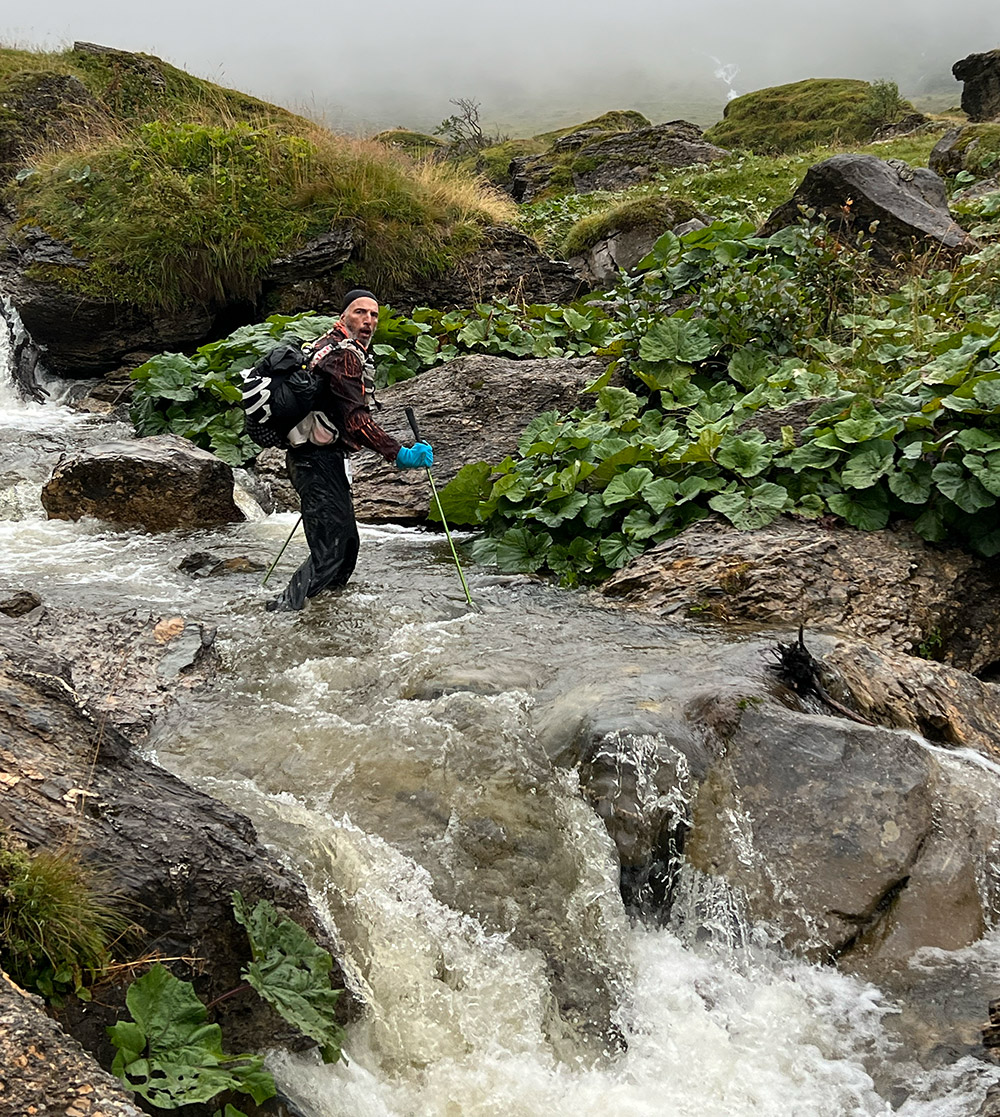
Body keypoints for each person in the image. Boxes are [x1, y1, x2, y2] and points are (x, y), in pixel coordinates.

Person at [266, 289, 433, 611]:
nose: (368, 320)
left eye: (374, 315)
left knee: (346, 545)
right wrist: (400, 454)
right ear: (343, 317)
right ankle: (281, 614)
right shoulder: (342, 355)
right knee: (332, 549)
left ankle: (326, 611)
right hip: (316, 462)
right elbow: (355, 420)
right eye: (360, 312)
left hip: (323, 460)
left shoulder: (328, 347)